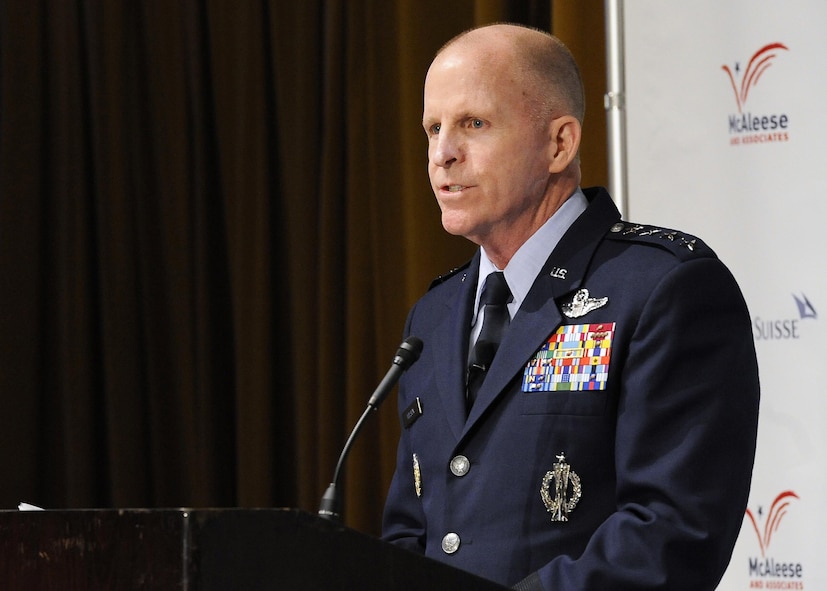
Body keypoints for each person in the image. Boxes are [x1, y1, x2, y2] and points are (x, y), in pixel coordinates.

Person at [381, 23, 760, 591]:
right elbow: (409, 533)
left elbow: (672, 532)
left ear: (559, 143)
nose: (442, 155)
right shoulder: (432, 317)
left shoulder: (664, 288)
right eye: (433, 128)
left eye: (474, 124)